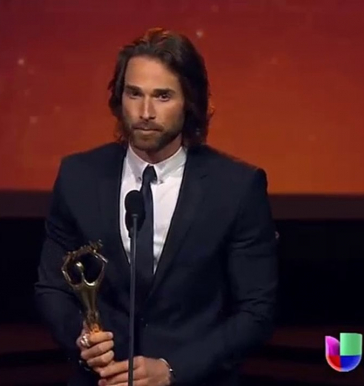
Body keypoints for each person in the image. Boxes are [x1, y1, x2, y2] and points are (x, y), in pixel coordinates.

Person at [35, 27, 278, 386]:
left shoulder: (236, 188)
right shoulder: (79, 177)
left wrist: (172, 368)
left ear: (190, 102)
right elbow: (52, 287)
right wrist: (82, 339)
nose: (145, 112)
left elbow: (256, 311)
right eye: (134, 94)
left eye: (163, 96)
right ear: (119, 99)